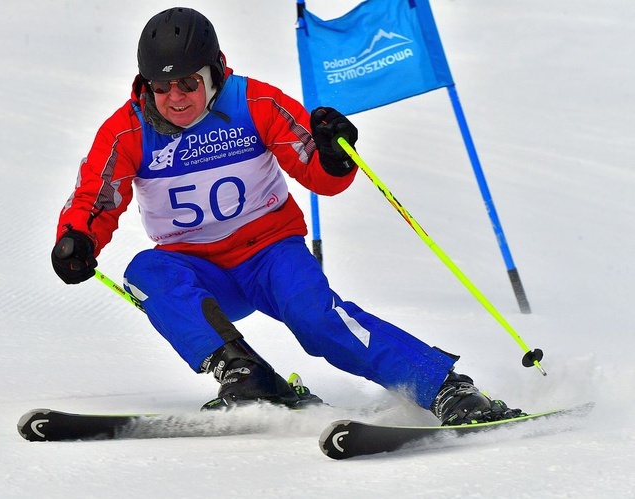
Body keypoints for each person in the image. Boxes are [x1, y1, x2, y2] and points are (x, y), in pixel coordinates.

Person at [51, 7, 523, 425]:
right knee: (146, 273)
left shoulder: (255, 103)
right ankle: (246, 373)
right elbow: (98, 197)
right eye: (161, 86)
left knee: (315, 317)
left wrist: (335, 156)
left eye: (188, 83)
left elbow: (315, 168)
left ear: (214, 73)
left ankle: (444, 387)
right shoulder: (127, 129)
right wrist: (78, 239)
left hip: (272, 253)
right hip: (197, 268)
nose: (175, 97)